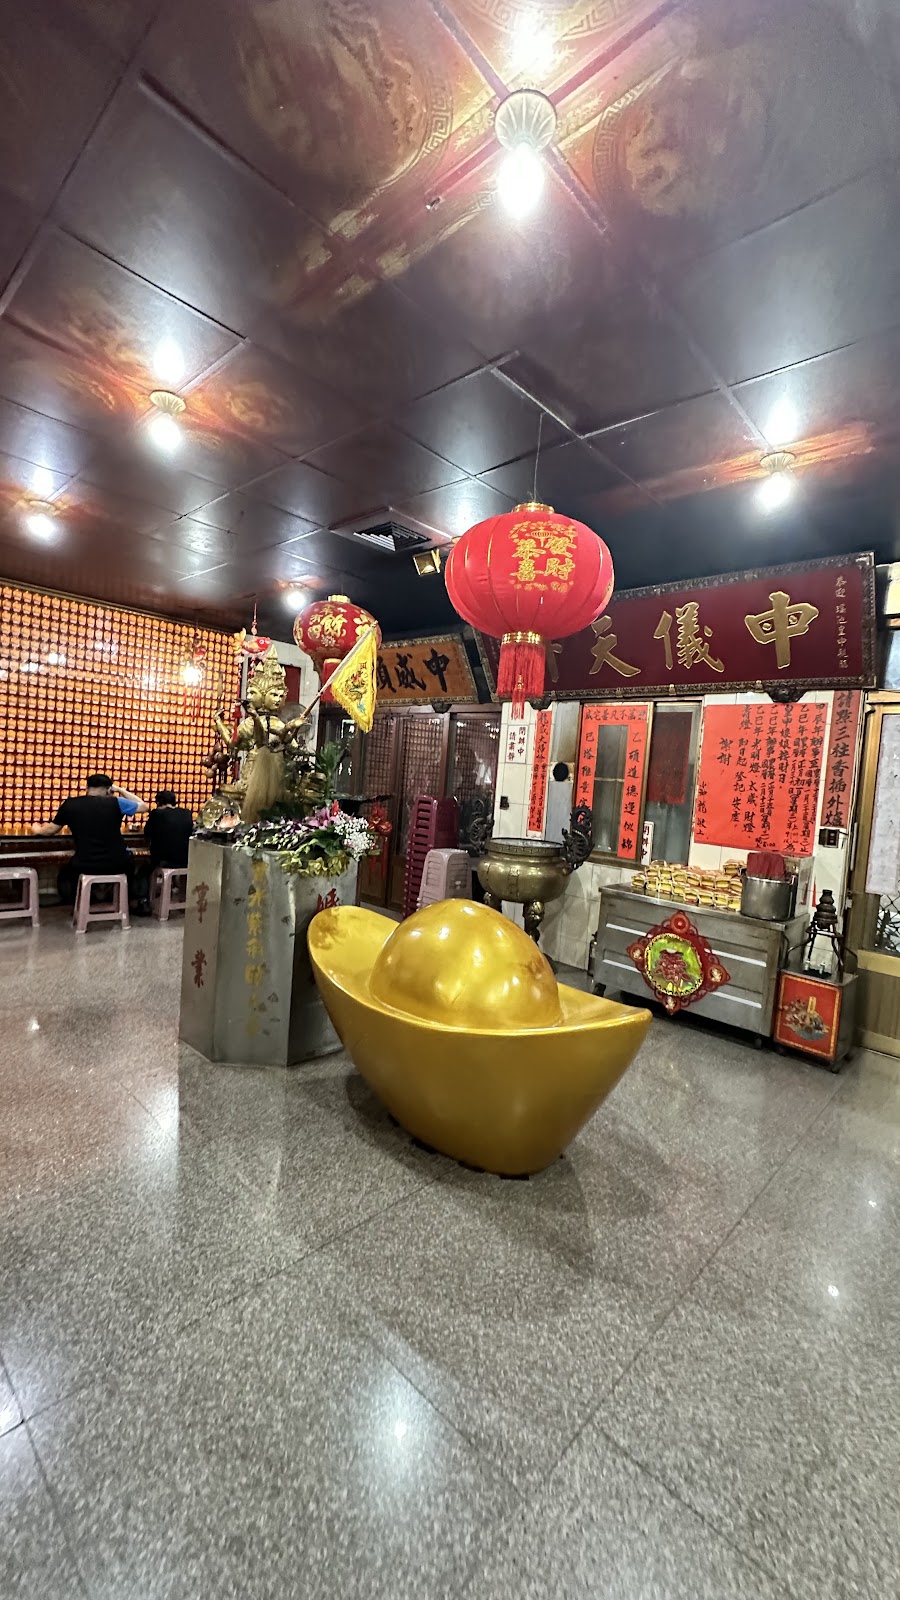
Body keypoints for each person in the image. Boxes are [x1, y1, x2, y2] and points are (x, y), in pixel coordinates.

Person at [33, 774, 148, 904]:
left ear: (87, 788)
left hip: (84, 864)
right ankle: (123, 901)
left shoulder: (70, 804)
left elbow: (50, 830)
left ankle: (79, 904)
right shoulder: (117, 802)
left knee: (65, 873)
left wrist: (37, 829)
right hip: (118, 863)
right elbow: (143, 806)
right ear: (108, 790)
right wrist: (120, 790)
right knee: (132, 867)